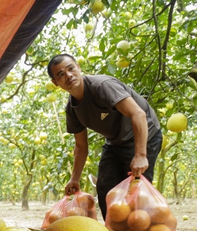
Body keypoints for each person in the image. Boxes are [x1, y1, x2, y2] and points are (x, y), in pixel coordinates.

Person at [47, 54, 161, 220]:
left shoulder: (102, 86)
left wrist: (140, 155)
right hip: (115, 142)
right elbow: (81, 146)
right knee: (105, 187)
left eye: (71, 68)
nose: (68, 75)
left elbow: (138, 114)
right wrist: (74, 179)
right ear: (55, 83)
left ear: (78, 67)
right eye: (61, 74)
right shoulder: (72, 109)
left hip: (145, 135)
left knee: (135, 190)